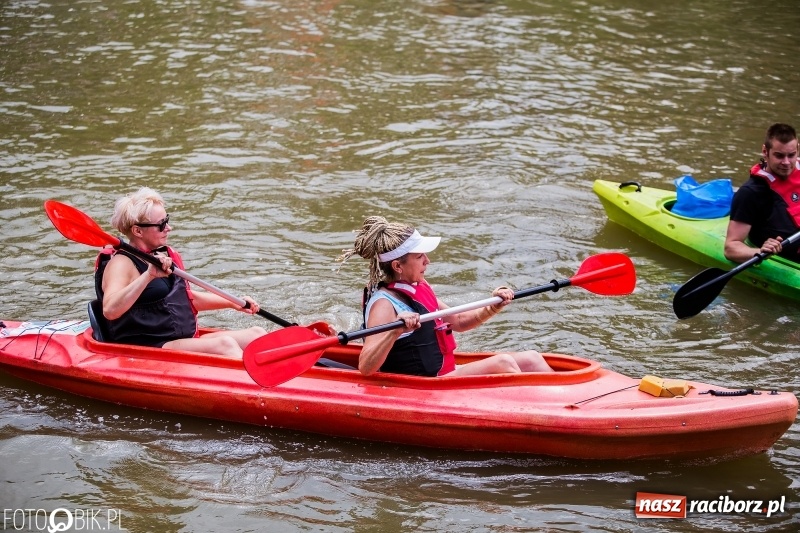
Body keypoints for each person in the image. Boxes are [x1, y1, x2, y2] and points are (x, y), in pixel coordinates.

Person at [338, 216, 554, 377]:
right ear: (397, 266)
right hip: (427, 384)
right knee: (503, 364)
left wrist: (495, 305)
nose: (427, 261)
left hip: (448, 372)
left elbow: (459, 321)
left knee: (532, 358)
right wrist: (394, 330)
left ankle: (568, 404)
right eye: (420, 256)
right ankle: (548, 417)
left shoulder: (419, 286)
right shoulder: (384, 304)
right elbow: (366, 367)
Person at [96, 187, 267, 357]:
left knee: (256, 335)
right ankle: (262, 383)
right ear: (137, 231)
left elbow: (184, 300)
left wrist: (233, 302)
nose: (168, 228)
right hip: (151, 345)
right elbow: (110, 310)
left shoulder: (156, 257)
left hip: (176, 338)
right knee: (226, 345)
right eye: (161, 224)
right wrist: (148, 276)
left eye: (167, 220)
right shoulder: (120, 263)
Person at [725, 123, 800, 263]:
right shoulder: (750, 193)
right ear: (765, 151)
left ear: (797, 149)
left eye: (791, 155)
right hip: (789, 258)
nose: (786, 162)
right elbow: (731, 247)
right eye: (779, 156)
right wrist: (760, 252)